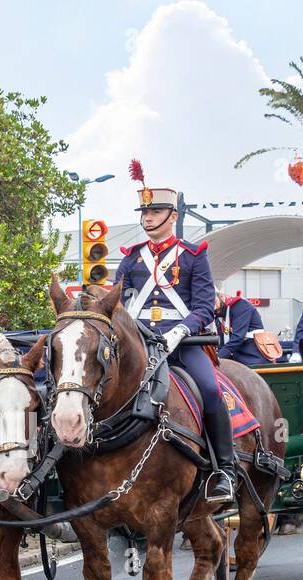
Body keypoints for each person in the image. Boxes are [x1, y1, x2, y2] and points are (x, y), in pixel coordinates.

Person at [115, 160, 234, 502]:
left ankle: (222, 469)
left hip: (182, 345)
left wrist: (178, 332)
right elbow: (116, 299)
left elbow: (202, 307)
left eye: (155, 212)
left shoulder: (194, 256)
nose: (147, 218)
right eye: (145, 212)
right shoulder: (132, 257)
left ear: (172, 216)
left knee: (211, 391)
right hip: (139, 345)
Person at [215, 290, 268, 365]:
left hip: (254, 356)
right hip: (237, 358)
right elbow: (223, 340)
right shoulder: (219, 314)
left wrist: (218, 359)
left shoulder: (240, 305)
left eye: (213, 301)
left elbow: (238, 337)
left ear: (220, 297)